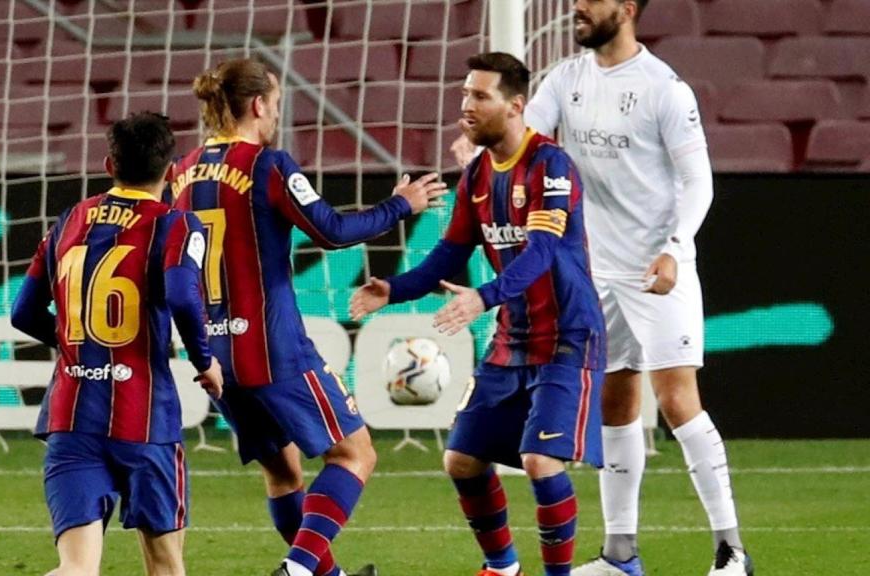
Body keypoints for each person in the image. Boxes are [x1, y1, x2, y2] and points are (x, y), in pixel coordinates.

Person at [452, 2, 753, 575]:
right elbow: (523, 135)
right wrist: (480, 150)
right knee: (617, 407)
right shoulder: (566, 78)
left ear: (628, 9)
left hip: (656, 269)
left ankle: (731, 550)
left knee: (677, 399)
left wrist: (675, 246)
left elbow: (698, 182)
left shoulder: (665, 88)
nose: (578, 6)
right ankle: (620, 553)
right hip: (594, 274)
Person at [168, 57, 448, 576]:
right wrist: (401, 205)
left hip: (215, 353)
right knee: (355, 454)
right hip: (273, 346)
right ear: (257, 105)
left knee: (282, 468)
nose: (275, 114)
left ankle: (325, 575)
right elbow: (332, 232)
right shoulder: (268, 165)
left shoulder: (180, 173)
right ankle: (297, 570)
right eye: (274, 103)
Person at [351, 52, 605, 576]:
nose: (466, 106)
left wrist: (483, 297)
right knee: (461, 460)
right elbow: (447, 257)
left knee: (540, 461)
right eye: (465, 94)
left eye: (480, 96)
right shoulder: (478, 177)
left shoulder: (549, 165)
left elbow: (541, 252)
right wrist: (391, 289)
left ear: (515, 106)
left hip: (567, 337)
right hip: (512, 340)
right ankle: (502, 568)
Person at [11, 111, 223, 576]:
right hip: (144, 421)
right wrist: (205, 360)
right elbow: (185, 298)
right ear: (171, 172)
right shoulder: (177, 225)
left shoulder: (69, 220)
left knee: (76, 569)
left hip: (72, 417)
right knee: (166, 565)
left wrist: (76, 345)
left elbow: (22, 313)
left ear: (110, 165)